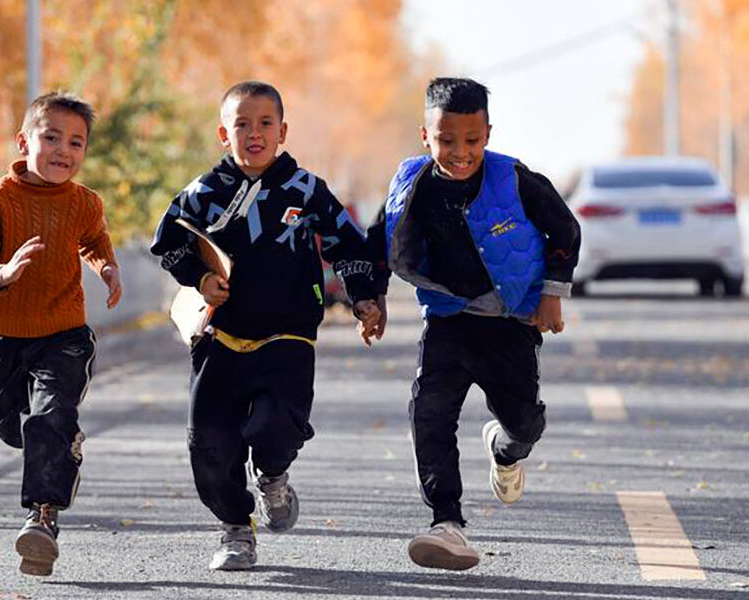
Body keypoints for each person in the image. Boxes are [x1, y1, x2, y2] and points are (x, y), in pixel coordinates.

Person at [150, 81, 381, 571]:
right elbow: (166, 242)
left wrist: (363, 299)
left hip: (289, 335)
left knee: (277, 426)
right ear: (223, 133)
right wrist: (200, 277)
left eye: (264, 124)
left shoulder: (307, 189)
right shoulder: (203, 193)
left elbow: (348, 244)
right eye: (241, 124)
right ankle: (236, 528)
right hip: (220, 338)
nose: (253, 134)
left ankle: (273, 474)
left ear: (282, 131)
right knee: (209, 440)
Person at [363, 77, 581, 571]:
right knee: (430, 413)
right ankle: (447, 522)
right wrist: (370, 299)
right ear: (426, 135)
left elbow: (565, 230)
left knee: (524, 421)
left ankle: (505, 451)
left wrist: (552, 294)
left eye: (471, 141)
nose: (459, 153)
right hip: (448, 319)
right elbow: (380, 240)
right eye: (445, 141)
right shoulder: (411, 183)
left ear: (488, 133)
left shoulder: (514, 178)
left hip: (509, 322)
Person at [0, 91, 122, 577]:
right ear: (24, 140)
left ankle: (42, 518)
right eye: (51, 137)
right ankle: (60, 444)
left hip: (64, 331)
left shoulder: (84, 202)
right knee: (14, 429)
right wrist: (4, 273)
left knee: (49, 415)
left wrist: (107, 268)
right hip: (5, 333)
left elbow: (94, 241)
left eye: (76, 143)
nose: (63, 151)